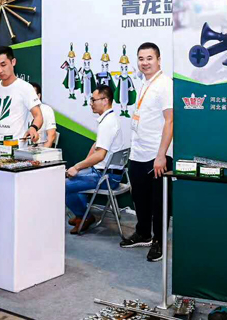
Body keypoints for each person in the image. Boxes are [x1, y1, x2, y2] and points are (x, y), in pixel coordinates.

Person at [120, 42, 173, 262]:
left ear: (158, 60)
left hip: (156, 154)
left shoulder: (165, 84)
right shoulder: (145, 83)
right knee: (139, 198)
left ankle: (159, 241)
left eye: (149, 58)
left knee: (159, 203)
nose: (145, 63)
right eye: (141, 59)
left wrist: (161, 155)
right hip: (138, 153)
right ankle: (143, 234)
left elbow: (170, 121)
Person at [65, 85, 129, 234]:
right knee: (74, 179)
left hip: (106, 177)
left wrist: (77, 167)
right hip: (109, 174)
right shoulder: (110, 119)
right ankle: (82, 216)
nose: (91, 103)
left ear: (105, 100)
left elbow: (100, 155)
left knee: (65, 185)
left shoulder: (107, 123)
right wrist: (83, 166)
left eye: (94, 100)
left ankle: (84, 217)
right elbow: (97, 145)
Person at [0, 46, 43, 143]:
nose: (0, 70)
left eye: (3, 65)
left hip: (17, 145)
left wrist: (33, 128)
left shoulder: (25, 87)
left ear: (13, 62)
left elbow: (38, 115)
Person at [30, 82, 58, 148]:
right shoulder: (20, 109)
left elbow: (51, 136)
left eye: (32, 95)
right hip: (20, 148)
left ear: (38, 96)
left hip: (40, 148)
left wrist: (42, 152)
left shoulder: (47, 109)